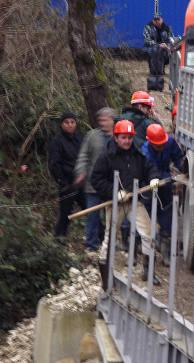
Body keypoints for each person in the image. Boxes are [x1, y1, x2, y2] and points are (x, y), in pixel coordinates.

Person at [91, 119, 162, 287]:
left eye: (129, 138)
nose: (127, 141)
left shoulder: (137, 155)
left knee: (148, 234)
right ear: (116, 138)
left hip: (134, 202)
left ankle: (148, 272)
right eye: (123, 138)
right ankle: (106, 280)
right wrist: (115, 192)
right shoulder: (107, 157)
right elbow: (96, 180)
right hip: (114, 203)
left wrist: (153, 178)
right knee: (110, 238)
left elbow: (150, 167)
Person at [73, 107, 117, 252]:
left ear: (112, 120)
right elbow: (83, 155)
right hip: (93, 184)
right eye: (100, 121)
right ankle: (91, 244)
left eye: (105, 120)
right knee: (92, 215)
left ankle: (109, 243)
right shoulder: (92, 136)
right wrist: (80, 172)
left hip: (111, 184)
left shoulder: (119, 136)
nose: (102, 123)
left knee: (111, 216)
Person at [141, 124, 184, 266]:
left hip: (165, 184)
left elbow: (178, 157)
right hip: (148, 185)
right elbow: (149, 170)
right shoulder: (145, 152)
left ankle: (165, 247)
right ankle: (146, 249)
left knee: (167, 212)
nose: (162, 148)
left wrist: (183, 169)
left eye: (163, 145)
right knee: (147, 216)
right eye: (158, 146)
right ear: (151, 143)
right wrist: (164, 178)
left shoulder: (169, 142)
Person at [48, 111, 86, 243]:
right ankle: (59, 242)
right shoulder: (57, 142)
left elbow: (86, 157)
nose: (70, 125)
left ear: (76, 123)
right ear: (62, 124)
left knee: (91, 210)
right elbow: (54, 164)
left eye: (72, 122)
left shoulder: (80, 138)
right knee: (65, 215)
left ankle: (101, 237)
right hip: (67, 184)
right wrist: (62, 183)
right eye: (67, 122)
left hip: (82, 183)